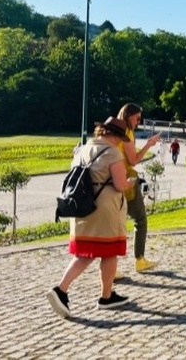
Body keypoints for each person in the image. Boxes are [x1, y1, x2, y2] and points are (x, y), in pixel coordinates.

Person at [47, 117, 136, 318]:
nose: (121, 141)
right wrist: (132, 182)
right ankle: (101, 296)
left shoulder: (82, 150)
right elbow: (120, 184)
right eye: (120, 137)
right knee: (109, 250)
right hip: (105, 209)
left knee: (85, 253)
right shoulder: (112, 153)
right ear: (114, 135)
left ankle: (69, 290)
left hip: (83, 206)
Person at [116, 103, 161, 274]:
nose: (139, 121)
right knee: (140, 220)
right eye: (137, 117)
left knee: (115, 225)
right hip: (126, 181)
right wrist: (149, 144)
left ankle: (110, 269)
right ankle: (139, 260)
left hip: (114, 180)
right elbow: (133, 160)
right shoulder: (127, 133)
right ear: (128, 116)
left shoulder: (116, 131)